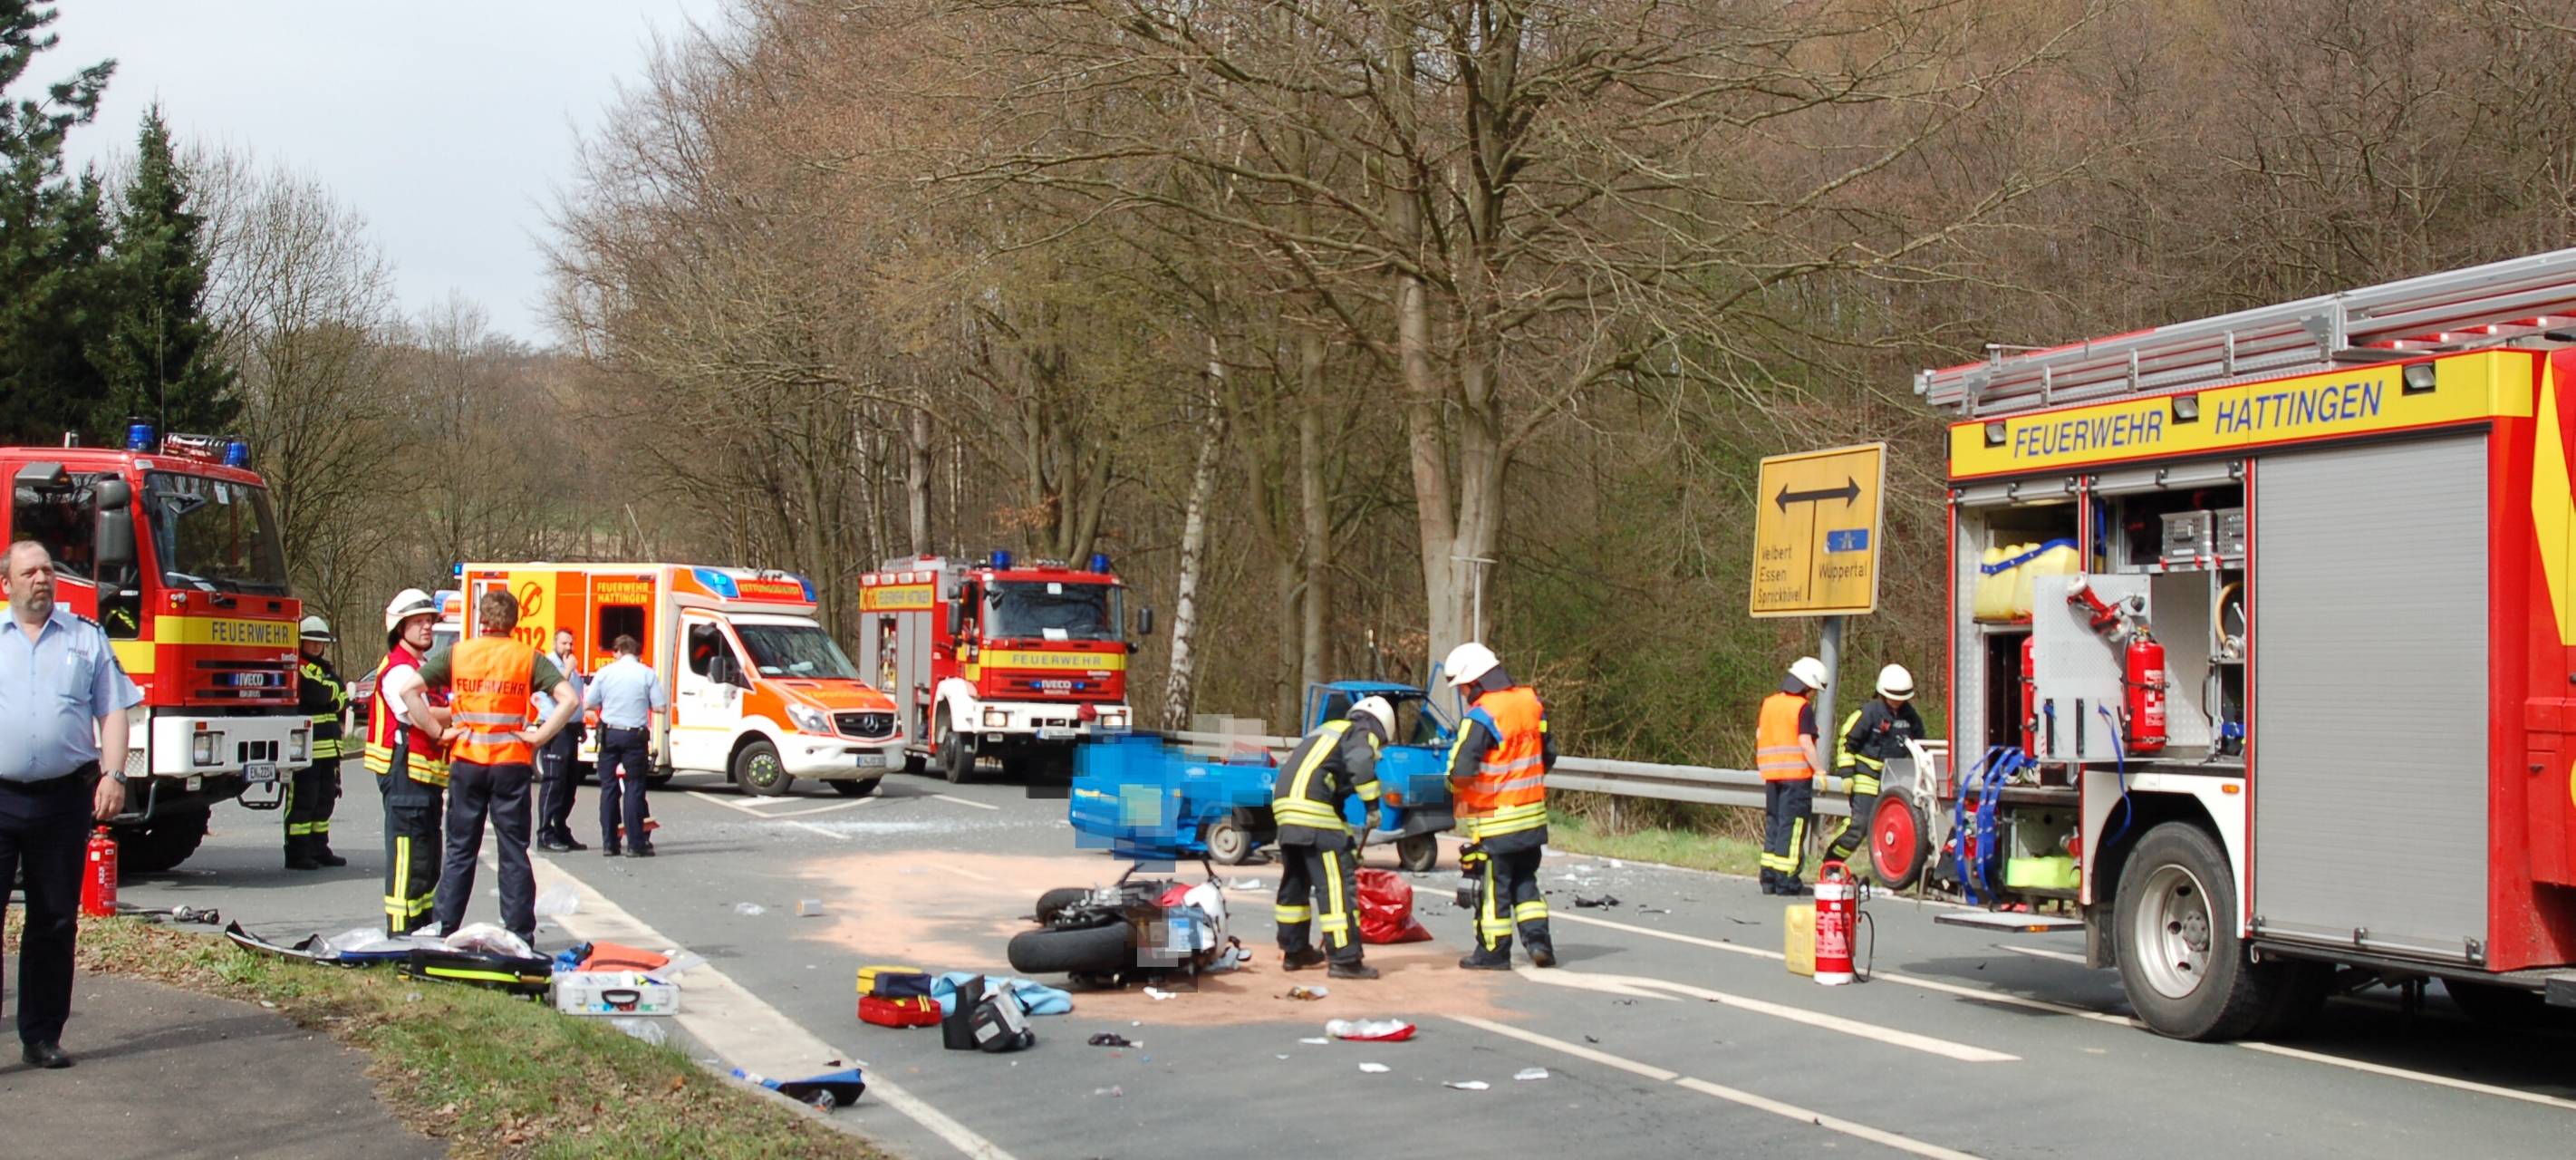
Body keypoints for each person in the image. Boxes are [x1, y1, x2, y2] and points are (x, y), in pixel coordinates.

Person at [0, 542, 143, 1068]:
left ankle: (41, 1035)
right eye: (29, 572)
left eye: (47, 570)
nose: (41, 579)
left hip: (63, 799)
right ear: (7, 584)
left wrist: (114, 774)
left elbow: (113, 711)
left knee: (54, 920)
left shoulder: (86, 638)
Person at [407, 590, 574, 943]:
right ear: (515, 622)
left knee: (460, 850)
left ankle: (444, 928)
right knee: (513, 850)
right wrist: (539, 736)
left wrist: (438, 731)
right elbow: (570, 699)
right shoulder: (526, 657)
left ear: (481, 618)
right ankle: (519, 934)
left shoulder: (459, 653)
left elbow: (410, 690)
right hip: (510, 763)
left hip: (467, 761)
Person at [1441, 642, 1557, 971]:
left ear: (1475, 680)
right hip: (1532, 820)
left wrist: (1449, 788)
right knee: (1526, 883)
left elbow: (1461, 772)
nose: (1463, 693)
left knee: (1494, 890)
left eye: (1462, 686)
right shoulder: (1532, 704)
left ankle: (1492, 953)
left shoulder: (1481, 716)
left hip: (1495, 823)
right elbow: (1548, 755)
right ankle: (1539, 944)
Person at [1271, 695, 1394, 981]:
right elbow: (1362, 764)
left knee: (1295, 883)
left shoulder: (1326, 733)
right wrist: (1373, 806)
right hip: (1313, 810)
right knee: (1337, 886)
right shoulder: (1362, 731)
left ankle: (1295, 951)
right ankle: (1345, 959)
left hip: (1286, 810)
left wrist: (1347, 846)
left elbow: (1334, 808)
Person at [366, 589, 449, 933]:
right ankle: (400, 935)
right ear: (400, 628)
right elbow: (420, 716)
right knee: (407, 859)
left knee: (426, 860)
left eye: (430, 621)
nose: (428, 627)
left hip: (422, 778)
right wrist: (460, 714)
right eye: (419, 622)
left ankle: (421, 928)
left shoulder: (418, 668)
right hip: (404, 776)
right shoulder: (399, 671)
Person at [1824, 664, 1925, 866]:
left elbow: (1921, 745)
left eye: (1902, 697)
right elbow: (1846, 741)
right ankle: (1832, 862)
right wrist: (1846, 774)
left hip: (1896, 778)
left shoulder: (1910, 716)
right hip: (1866, 777)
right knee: (1860, 824)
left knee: (1899, 827)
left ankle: (1892, 871)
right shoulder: (1868, 713)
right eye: (1893, 696)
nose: (1897, 701)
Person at [584, 633, 667, 857]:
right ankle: (635, 844)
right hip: (634, 737)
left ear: (617, 652)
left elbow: (589, 703)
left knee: (608, 788)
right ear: (637, 652)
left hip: (610, 735)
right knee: (634, 788)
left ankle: (609, 843)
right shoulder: (647, 674)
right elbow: (660, 707)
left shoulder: (605, 673)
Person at [1757, 656, 1829, 896]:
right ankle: (1787, 881)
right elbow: (1806, 743)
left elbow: (1760, 735)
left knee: (1774, 823)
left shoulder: (1769, 703)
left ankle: (1769, 878)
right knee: (1793, 826)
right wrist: (1819, 769)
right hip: (1796, 777)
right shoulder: (1802, 707)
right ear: (1807, 686)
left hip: (1772, 774)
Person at [286, 615, 350, 870]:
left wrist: (333, 693)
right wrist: (334, 693)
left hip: (328, 748)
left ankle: (319, 847)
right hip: (306, 749)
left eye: (319, 643)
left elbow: (341, 695)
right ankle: (297, 852)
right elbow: (321, 694)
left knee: (325, 800)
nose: (315, 647)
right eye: (310, 642)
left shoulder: (325, 669)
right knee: (304, 801)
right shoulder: (298, 668)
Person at [534, 629, 589, 853]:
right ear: (555, 642)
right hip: (555, 729)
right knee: (554, 782)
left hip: (570, 728)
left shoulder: (570, 664)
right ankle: (545, 834)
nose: (568, 647)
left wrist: (581, 722)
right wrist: (567, 669)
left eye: (571, 643)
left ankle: (560, 828)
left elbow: (576, 698)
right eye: (564, 643)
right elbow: (555, 691)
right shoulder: (550, 664)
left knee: (569, 784)